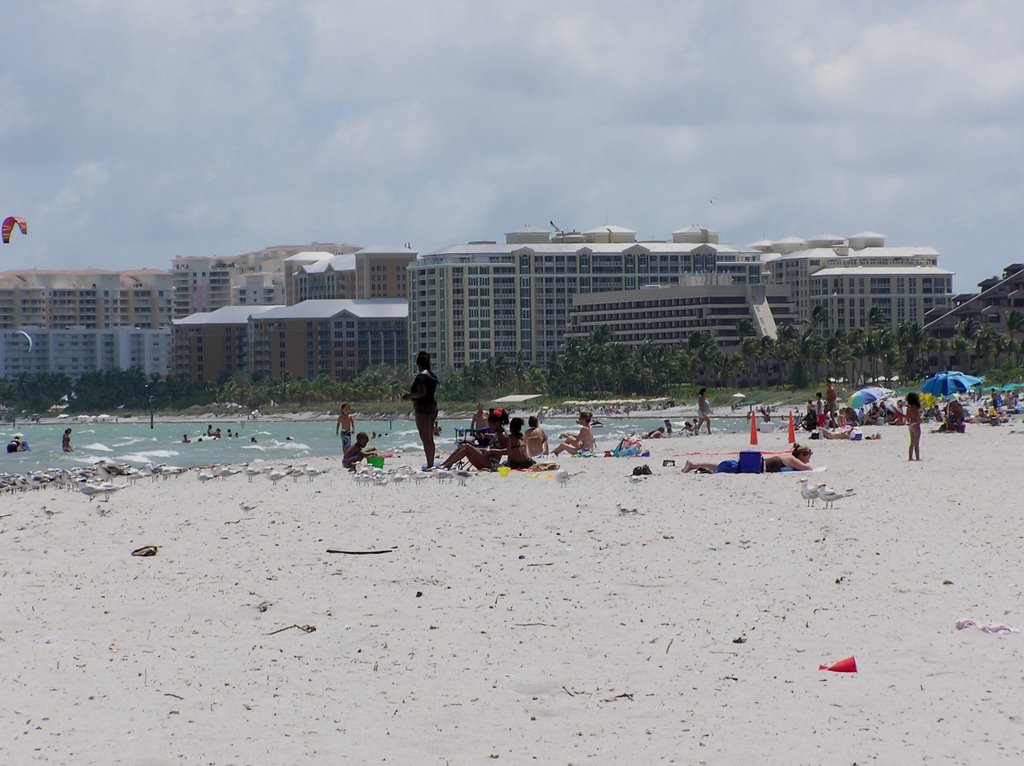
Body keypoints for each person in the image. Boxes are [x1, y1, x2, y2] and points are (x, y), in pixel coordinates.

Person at [402, 351, 439, 469]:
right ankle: (431, 463)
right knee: (430, 438)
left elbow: (422, 393)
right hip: (432, 407)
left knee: (425, 439)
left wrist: (408, 396)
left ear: (418, 363)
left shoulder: (421, 376)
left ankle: (429, 465)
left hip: (423, 409)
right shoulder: (432, 376)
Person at [440, 410, 509, 470]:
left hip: (492, 464)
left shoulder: (503, 435)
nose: (489, 426)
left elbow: (508, 451)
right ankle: (444, 464)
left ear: (497, 423)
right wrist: (475, 445)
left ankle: (448, 465)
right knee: (464, 445)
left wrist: (490, 450)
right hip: (486, 460)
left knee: (467, 446)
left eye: (490, 424)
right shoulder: (497, 434)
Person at [682, 444, 814, 473]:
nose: (808, 460)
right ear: (801, 455)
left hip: (752, 465)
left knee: (718, 466)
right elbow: (807, 468)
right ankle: (692, 464)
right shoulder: (791, 459)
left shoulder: (791, 459)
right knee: (720, 467)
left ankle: (693, 464)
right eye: (808, 457)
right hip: (753, 467)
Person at [906, 392, 922, 461]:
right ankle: (917, 457)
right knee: (917, 443)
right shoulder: (915, 408)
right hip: (915, 424)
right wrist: (919, 422)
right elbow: (918, 418)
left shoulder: (908, 408)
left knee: (911, 442)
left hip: (911, 424)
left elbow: (907, 418)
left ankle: (910, 457)